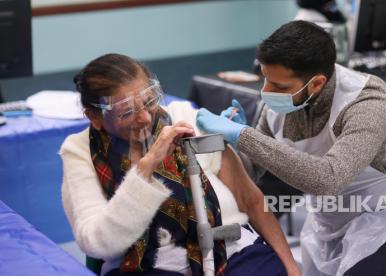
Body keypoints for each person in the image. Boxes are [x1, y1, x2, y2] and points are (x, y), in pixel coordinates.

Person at [196, 21, 386, 276]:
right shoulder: (280, 103)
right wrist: (232, 148)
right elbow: (253, 172)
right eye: (265, 79)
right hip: (328, 223)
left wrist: (245, 137)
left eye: (280, 86)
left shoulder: (369, 102)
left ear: (317, 84)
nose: (266, 92)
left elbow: (328, 179)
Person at [60, 53, 300, 276]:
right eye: (127, 112)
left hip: (228, 249)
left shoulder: (186, 120)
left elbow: (251, 200)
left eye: (149, 101)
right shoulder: (81, 152)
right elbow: (96, 242)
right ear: (95, 117)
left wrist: (292, 269)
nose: (144, 117)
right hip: (147, 264)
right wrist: (147, 165)